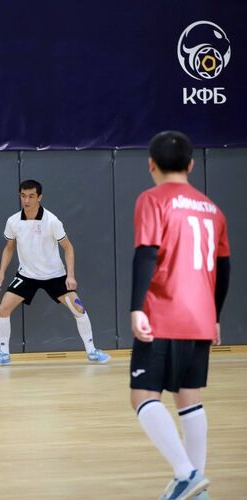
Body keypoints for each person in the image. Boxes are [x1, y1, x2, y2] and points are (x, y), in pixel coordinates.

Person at [130, 131, 230, 500]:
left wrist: (137, 306)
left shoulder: (152, 199)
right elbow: (224, 267)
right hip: (201, 316)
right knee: (189, 396)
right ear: (191, 165)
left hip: (164, 311)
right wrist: (214, 316)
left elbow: (146, 253)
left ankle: (187, 475)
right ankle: (197, 487)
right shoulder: (212, 209)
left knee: (143, 395)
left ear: (151, 165)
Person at [0, 179, 111, 366]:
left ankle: (92, 351)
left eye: (31, 196)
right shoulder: (13, 221)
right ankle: (4, 354)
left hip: (55, 276)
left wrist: (70, 275)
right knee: (3, 309)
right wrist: (1, 272)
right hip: (26, 275)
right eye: (23, 196)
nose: (26, 200)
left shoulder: (52, 221)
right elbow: (9, 247)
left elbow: (68, 248)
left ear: (39, 197)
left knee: (78, 309)